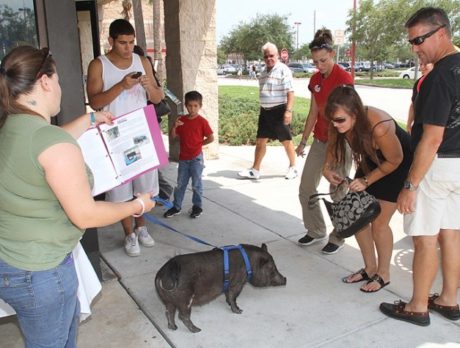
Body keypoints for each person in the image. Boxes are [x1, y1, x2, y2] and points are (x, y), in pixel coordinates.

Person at [0, 46, 155, 347]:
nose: (59, 86)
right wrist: (137, 205)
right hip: (42, 274)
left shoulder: (11, 128)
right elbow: (85, 214)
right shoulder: (52, 142)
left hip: (9, 261)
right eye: (57, 79)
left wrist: (90, 119)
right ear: (45, 82)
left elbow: (44, 148)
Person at [380, 7, 460, 326]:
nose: (415, 48)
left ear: (440, 32)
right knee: (451, 234)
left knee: (424, 237)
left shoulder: (439, 75)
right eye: (412, 41)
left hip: (436, 167)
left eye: (419, 39)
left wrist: (410, 186)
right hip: (457, 169)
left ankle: (417, 306)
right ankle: (449, 299)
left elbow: (432, 138)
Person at [87, 19, 164, 257]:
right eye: (122, 43)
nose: (128, 48)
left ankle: (142, 228)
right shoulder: (98, 65)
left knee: (144, 187)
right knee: (120, 191)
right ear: (110, 41)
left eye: (131, 42)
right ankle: (129, 234)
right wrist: (121, 85)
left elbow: (158, 97)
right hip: (114, 136)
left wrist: (148, 86)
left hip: (141, 132)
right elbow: (95, 102)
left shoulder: (141, 61)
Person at [323, 86, 412, 291]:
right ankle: (369, 269)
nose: (336, 125)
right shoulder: (340, 123)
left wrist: (366, 181)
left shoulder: (379, 125)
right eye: (333, 120)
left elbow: (395, 160)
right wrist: (326, 169)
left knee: (379, 222)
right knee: (357, 215)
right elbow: (333, 144)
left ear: (355, 114)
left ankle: (383, 274)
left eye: (340, 120)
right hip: (372, 161)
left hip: (399, 164)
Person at [296, 29, 353, 254]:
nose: (319, 65)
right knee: (306, 187)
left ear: (332, 54)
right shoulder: (314, 80)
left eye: (323, 60)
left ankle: (338, 237)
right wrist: (302, 142)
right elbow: (313, 112)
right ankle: (316, 229)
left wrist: (333, 152)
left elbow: (346, 117)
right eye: (315, 61)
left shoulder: (344, 79)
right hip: (319, 141)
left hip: (339, 141)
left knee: (337, 189)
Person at [238, 42, 297, 180]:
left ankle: (293, 167)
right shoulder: (263, 72)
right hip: (265, 112)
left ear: (277, 55)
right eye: (266, 56)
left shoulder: (283, 70)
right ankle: (255, 170)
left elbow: (290, 91)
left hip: (279, 111)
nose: (269, 58)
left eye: (271, 55)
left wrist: (288, 111)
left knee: (286, 140)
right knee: (260, 141)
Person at [163, 91, 214, 219]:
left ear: (200, 106)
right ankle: (176, 206)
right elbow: (173, 138)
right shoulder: (181, 121)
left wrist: (199, 144)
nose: (192, 109)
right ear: (186, 105)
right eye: (190, 106)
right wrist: (174, 126)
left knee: (196, 184)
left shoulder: (202, 122)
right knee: (180, 184)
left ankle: (197, 206)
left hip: (196, 158)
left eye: (195, 106)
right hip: (183, 159)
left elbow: (211, 137)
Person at [133, 45, 174, 202]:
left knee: (150, 163)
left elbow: (157, 94)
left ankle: (162, 192)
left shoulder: (145, 71)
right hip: (150, 120)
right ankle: (160, 192)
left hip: (149, 120)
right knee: (148, 162)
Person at [406, 62, 433, 134]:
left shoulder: (444, 83)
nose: (422, 67)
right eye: (420, 64)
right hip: (419, 128)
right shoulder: (419, 82)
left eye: (425, 64)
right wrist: (408, 125)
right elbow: (413, 105)